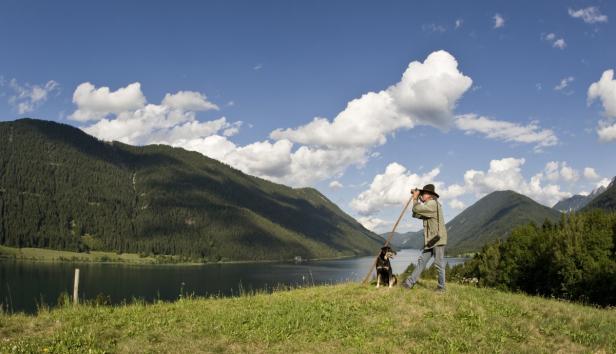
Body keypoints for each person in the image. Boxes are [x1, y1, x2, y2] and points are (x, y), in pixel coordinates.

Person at [402, 184, 448, 292]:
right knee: (422, 261)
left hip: (437, 239)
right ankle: (409, 283)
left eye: (423, 193)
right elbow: (416, 214)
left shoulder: (432, 204)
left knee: (438, 263)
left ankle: (442, 288)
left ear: (430, 195)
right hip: (431, 240)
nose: (422, 194)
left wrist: (415, 198)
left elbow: (417, 209)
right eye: (421, 193)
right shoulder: (428, 206)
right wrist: (416, 198)